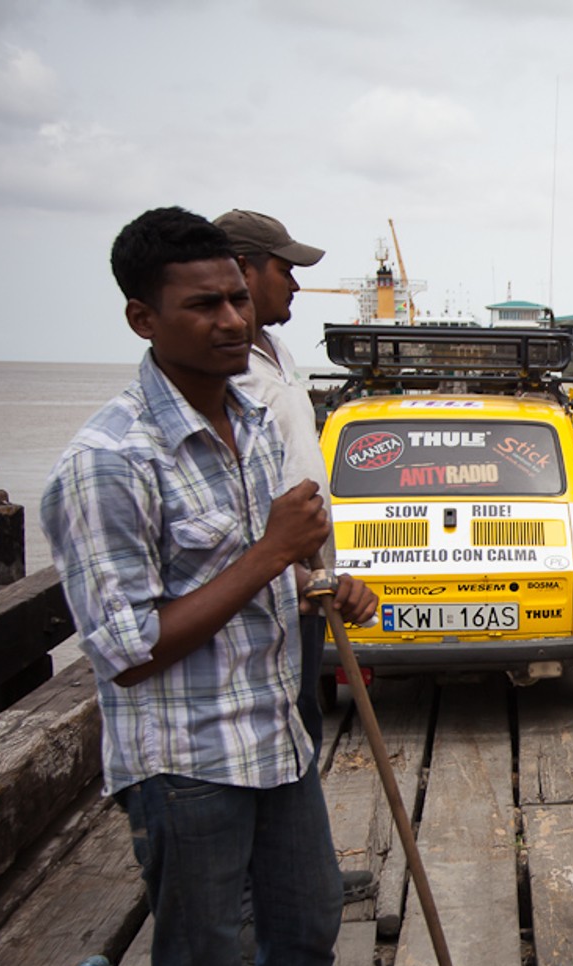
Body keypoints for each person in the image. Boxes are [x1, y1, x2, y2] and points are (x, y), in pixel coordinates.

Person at [40, 207, 403, 966]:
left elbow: (250, 583)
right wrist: (271, 554)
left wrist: (320, 590)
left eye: (238, 297)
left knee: (306, 921)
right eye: (203, 305)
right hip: (182, 759)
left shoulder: (248, 420)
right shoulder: (107, 460)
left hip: (269, 733)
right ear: (141, 317)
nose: (232, 319)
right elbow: (123, 644)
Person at [214, 209, 329, 753]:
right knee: (279, 720)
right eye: (285, 270)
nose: (295, 283)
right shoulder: (228, 374)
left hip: (305, 573)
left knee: (303, 712)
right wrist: (291, 570)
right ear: (242, 268)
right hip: (270, 577)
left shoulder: (276, 353)